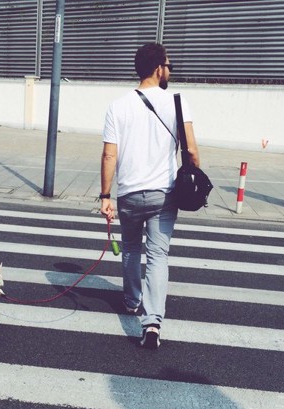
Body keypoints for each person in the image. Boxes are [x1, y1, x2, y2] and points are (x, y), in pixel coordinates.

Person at [99, 42, 201, 349]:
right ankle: (153, 321)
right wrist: (195, 175)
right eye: (169, 66)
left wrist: (106, 195)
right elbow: (192, 150)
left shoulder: (117, 106)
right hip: (164, 194)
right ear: (159, 69)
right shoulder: (177, 103)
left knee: (131, 248)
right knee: (158, 255)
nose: (170, 71)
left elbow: (108, 155)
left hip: (129, 193)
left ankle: (132, 301)